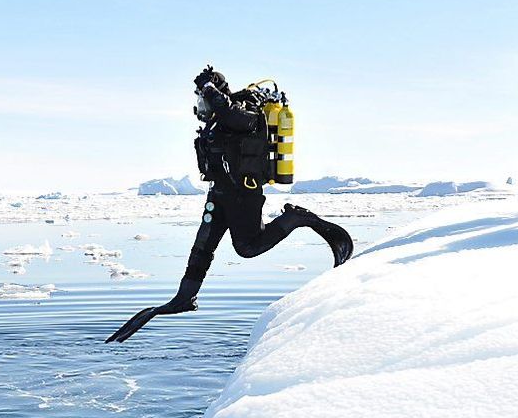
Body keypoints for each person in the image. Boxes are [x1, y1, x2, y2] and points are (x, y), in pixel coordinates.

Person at [106, 67, 354, 343]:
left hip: (243, 194)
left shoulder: (245, 110)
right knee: (203, 246)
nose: (201, 103)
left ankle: (295, 218)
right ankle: (185, 297)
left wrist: (211, 90)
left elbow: (238, 119)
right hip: (219, 194)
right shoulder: (215, 120)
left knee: (247, 248)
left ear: (216, 94)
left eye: (204, 96)